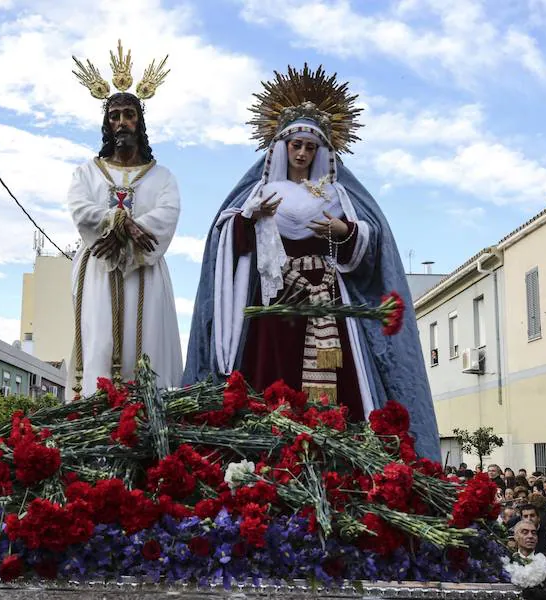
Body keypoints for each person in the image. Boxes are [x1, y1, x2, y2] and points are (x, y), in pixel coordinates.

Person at [182, 65, 439, 459]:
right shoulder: (259, 191)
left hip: (326, 301)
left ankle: (338, 461)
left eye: (310, 147)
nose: (302, 153)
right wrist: (250, 221)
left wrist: (344, 231)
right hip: (275, 305)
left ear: (321, 152)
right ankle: (266, 460)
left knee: (338, 386)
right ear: (281, 146)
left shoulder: (339, 195)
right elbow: (224, 238)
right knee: (269, 380)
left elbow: (373, 245)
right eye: (295, 145)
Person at [67, 42, 182, 396]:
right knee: (99, 341)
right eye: (114, 116)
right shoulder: (88, 171)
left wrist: (129, 229)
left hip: (145, 270)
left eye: (128, 114)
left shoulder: (161, 176)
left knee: (145, 344)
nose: (121, 122)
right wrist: (121, 222)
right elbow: (79, 207)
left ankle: (147, 422)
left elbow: (168, 212)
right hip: (100, 268)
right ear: (107, 123)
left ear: (140, 121)